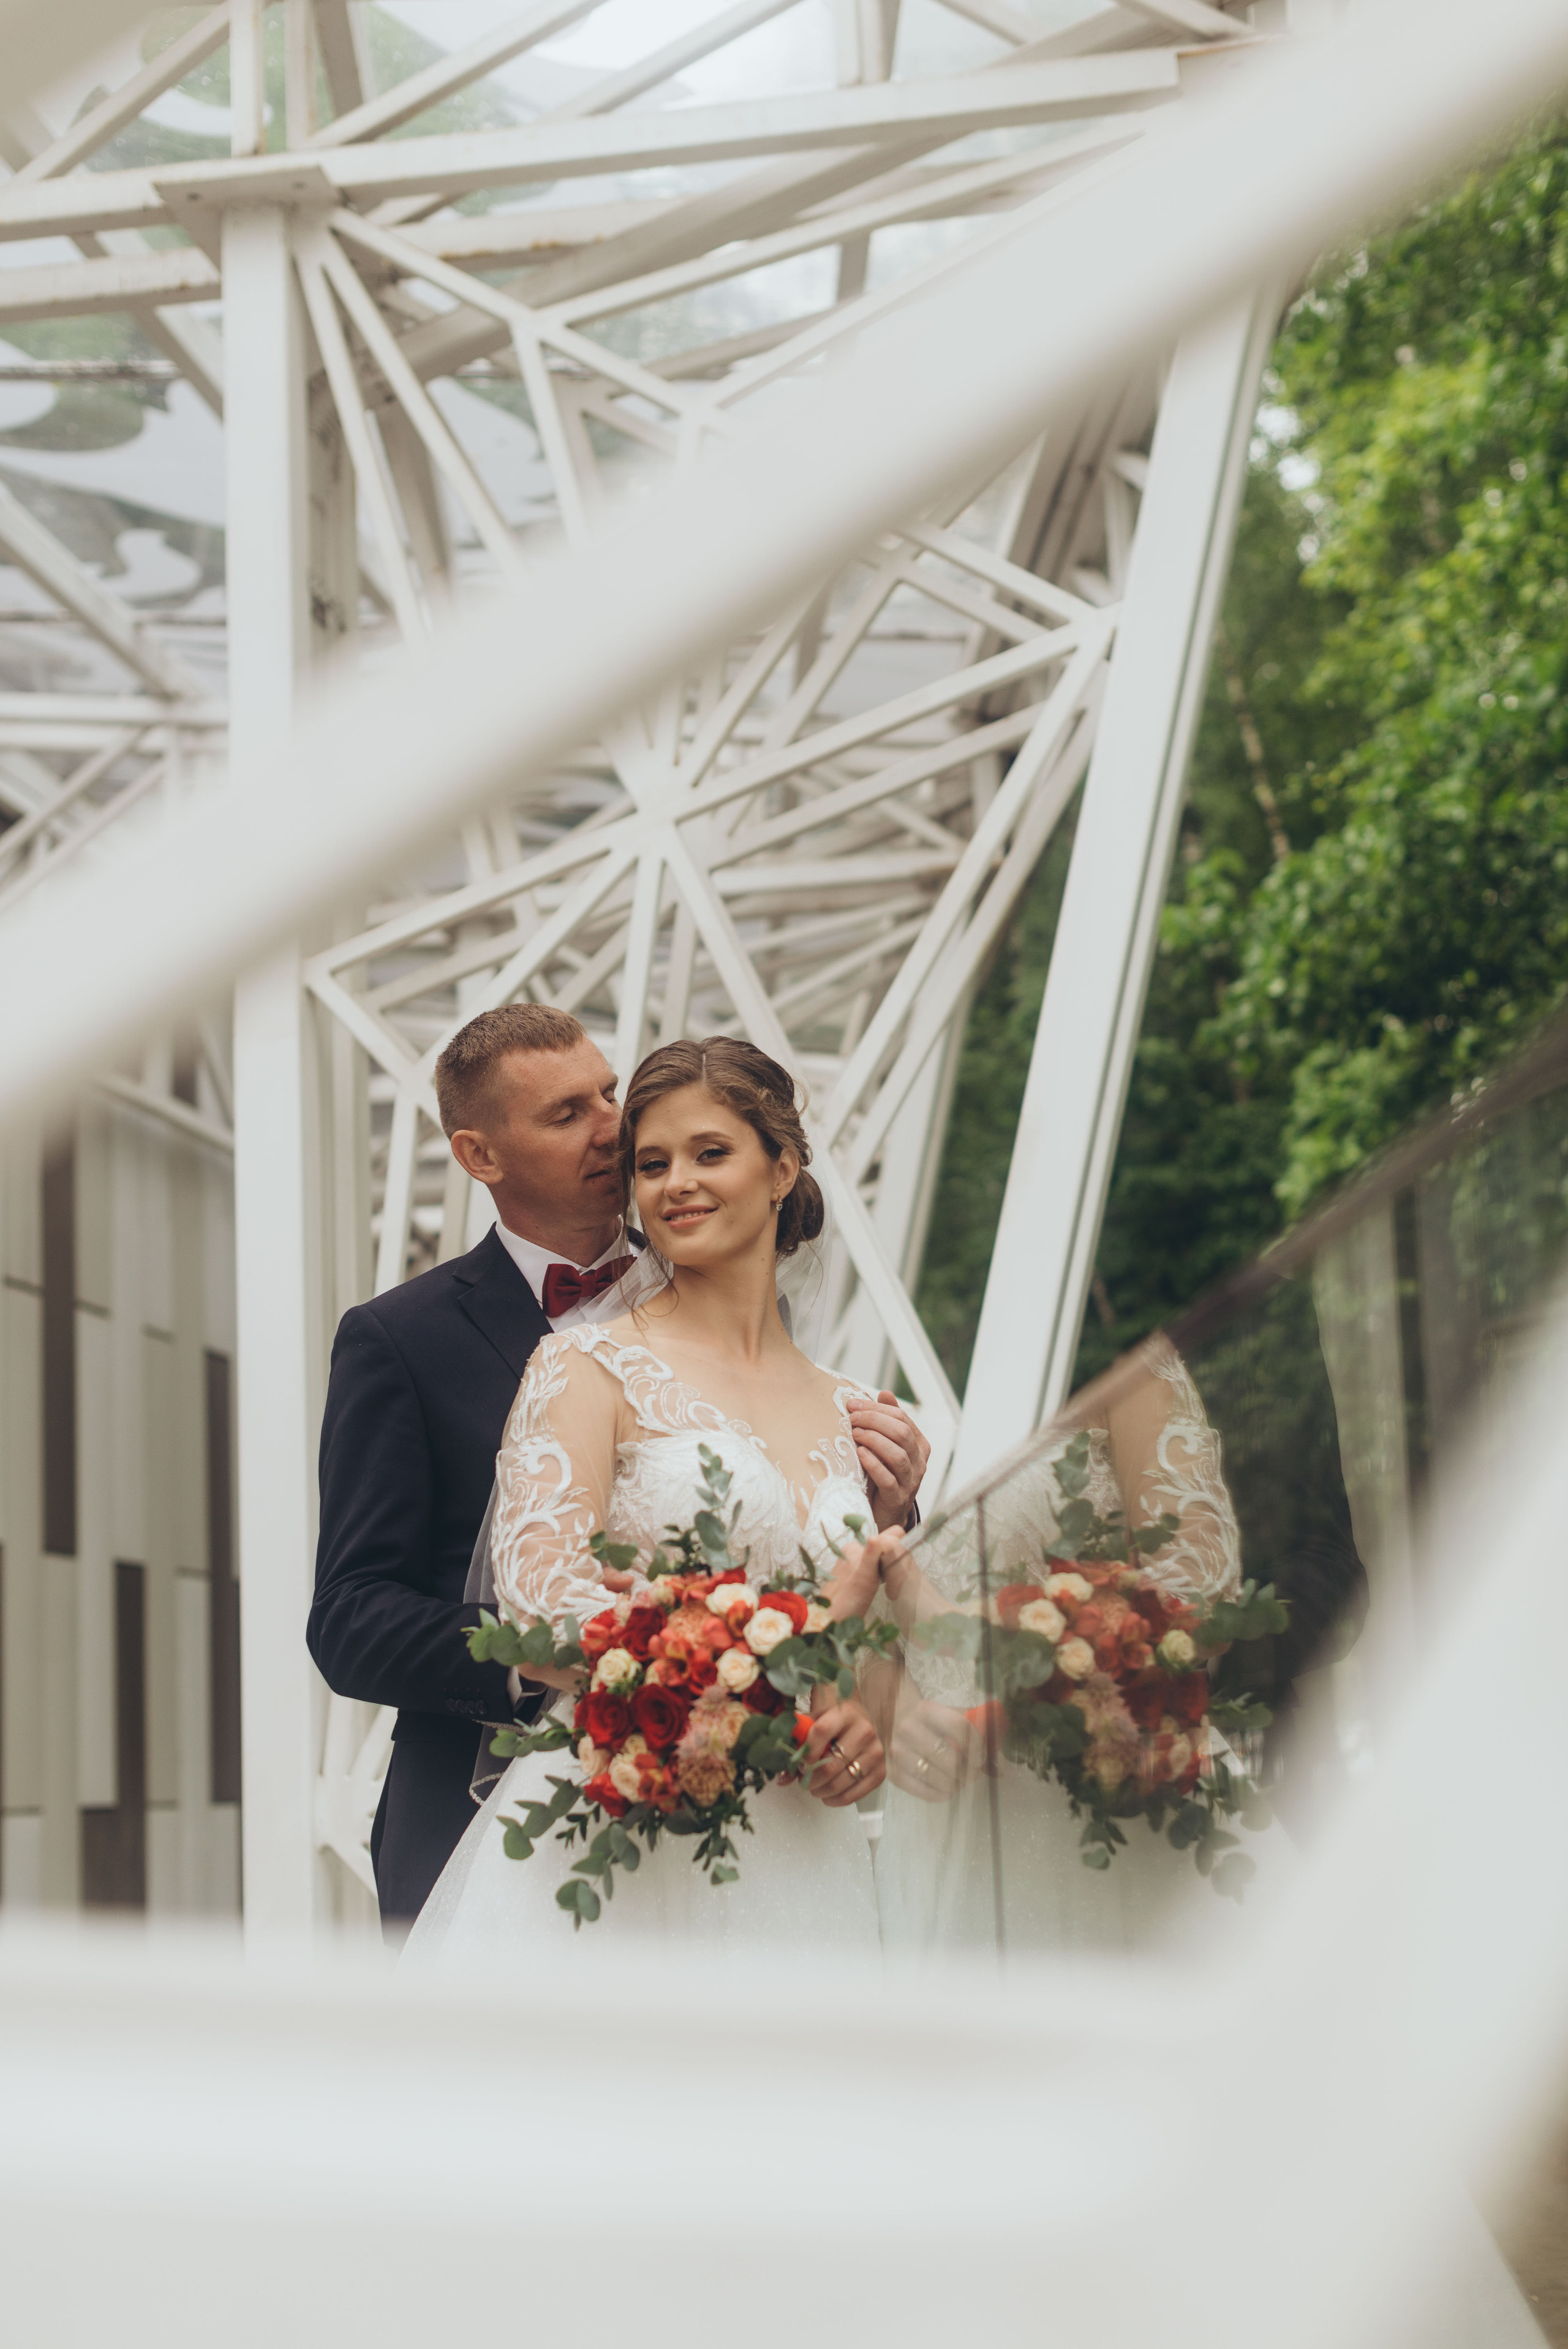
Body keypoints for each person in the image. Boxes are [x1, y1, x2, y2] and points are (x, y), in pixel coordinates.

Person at [309, 1010, 928, 1933]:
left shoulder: (733, 1292)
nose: (611, 1126)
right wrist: (556, 1657)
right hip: (507, 1820)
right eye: (567, 1114)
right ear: (480, 1155)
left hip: (776, 1820)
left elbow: (795, 1542)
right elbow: (352, 1616)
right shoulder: (401, 1339)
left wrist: (888, 1510)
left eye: (608, 1095)